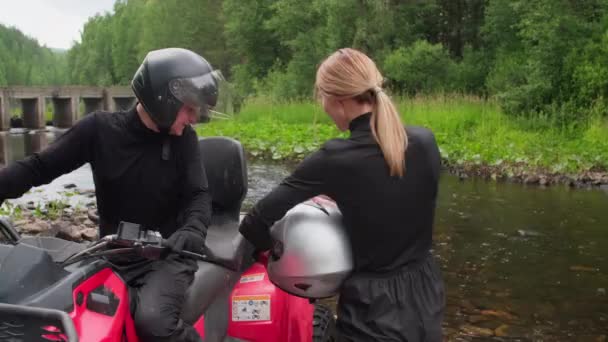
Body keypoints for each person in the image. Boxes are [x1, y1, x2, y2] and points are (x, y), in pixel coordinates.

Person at [0, 47, 220, 342]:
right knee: (57, 309)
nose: (194, 118)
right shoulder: (99, 131)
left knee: (153, 322)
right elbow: (38, 168)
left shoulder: (184, 141)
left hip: (168, 253)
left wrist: (193, 229)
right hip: (112, 252)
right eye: (189, 108)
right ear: (163, 100)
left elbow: (199, 195)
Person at [239, 48, 445, 341]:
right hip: (426, 294)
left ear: (337, 100)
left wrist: (273, 253)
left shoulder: (335, 159)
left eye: (321, 97)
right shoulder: (425, 141)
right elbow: (397, 202)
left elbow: (255, 221)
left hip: (373, 310)